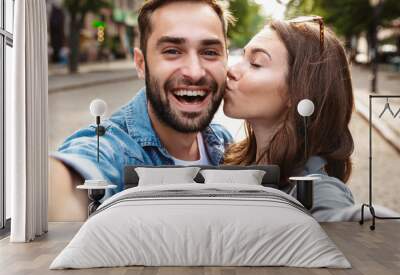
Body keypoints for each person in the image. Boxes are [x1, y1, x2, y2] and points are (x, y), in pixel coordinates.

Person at [49, 0, 234, 221]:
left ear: (226, 60)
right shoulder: (113, 146)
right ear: (141, 64)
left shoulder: (223, 142)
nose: (194, 72)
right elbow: (67, 181)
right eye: (173, 51)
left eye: (210, 52)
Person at [223, 18, 357, 221]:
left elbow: (339, 220)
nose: (231, 70)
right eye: (242, 57)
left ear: (298, 91)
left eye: (256, 63)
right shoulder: (227, 154)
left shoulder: (314, 190)